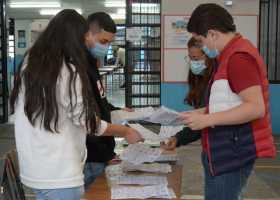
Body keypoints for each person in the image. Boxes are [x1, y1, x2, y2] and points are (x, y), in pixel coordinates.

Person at [10, 9, 142, 200]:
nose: (88, 42)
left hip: (36, 171)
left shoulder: (29, 64)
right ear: (72, 39)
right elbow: (88, 122)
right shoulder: (69, 71)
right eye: (85, 37)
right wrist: (125, 131)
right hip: (62, 173)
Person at [179, 4, 276, 200]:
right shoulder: (227, 56)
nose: (202, 46)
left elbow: (255, 107)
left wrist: (208, 119)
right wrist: (202, 112)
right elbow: (229, 103)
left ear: (212, 34)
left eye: (200, 40)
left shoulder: (239, 58)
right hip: (223, 150)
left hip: (232, 153)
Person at [84, 12, 133, 188]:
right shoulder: (79, 68)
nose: (106, 47)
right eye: (103, 42)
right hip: (92, 154)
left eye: (109, 43)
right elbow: (85, 119)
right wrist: (106, 152)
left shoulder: (91, 63)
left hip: (102, 150)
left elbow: (99, 101)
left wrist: (116, 109)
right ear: (87, 34)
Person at [161, 37, 215, 150]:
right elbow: (201, 119)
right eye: (190, 58)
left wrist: (179, 138)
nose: (192, 62)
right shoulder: (199, 78)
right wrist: (177, 138)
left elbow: (205, 117)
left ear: (210, 57)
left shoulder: (217, 82)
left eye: (195, 58)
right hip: (208, 143)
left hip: (220, 142)